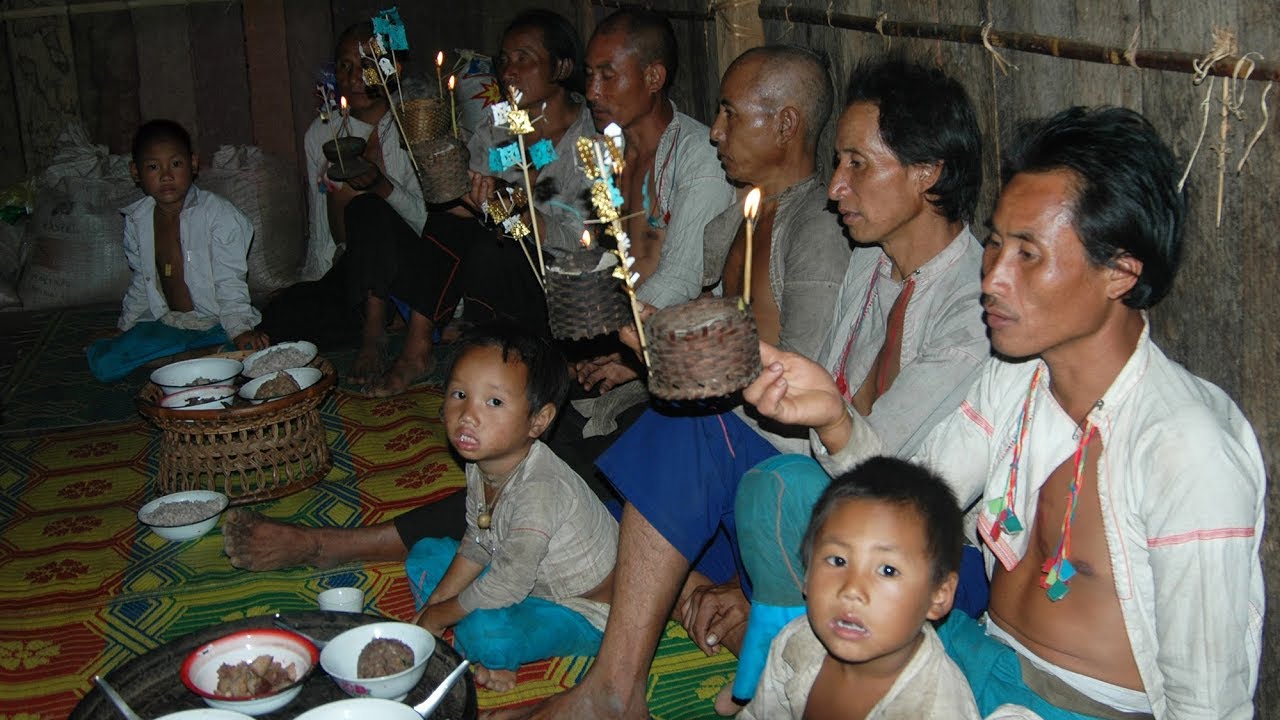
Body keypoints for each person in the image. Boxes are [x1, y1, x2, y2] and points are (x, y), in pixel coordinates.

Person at [743, 106, 1265, 719]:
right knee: (801, 621)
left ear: (1119, 274)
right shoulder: (1014, 380)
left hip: (1079, 707)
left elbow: (1210, 700)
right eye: (994, 247)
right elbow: (915, 503)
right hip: (978, 654)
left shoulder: (1186, 446)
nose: (991, 279)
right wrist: (832, 419)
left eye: (1029, 254)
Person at [526, 57, 987, 720]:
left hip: (913, 563)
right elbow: (806, 413)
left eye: (858, 164)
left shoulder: (970, 306)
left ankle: (729, 616)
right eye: (838, 162)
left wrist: (774, 554)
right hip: (821, 494)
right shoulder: (871, 264)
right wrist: (686, 355)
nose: (834, 187)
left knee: (702, 455)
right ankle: (628, 674)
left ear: (929, 172)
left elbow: (887, 479)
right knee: (683, 437)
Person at [407, 321, 617, 692]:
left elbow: (508, 580)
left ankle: (498, 653)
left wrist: (440, 614)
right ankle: (473, 625)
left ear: (538, 420)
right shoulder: (481, 465)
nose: (468, 415)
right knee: (424, 554)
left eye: (494, 402)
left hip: (581, 609)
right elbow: (478, 541)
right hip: (517, 576)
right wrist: (437, 606)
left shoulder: (541, 489)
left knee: (490, 634)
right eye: (459, 394)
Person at [741, 456, 978, 719]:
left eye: (887, 570)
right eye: (837, 560)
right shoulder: (796, 642)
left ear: (939, 595)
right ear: (807, 574)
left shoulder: (935, 710)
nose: (851, 589)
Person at [88, 119, 268, 382]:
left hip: (217, 323)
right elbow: (141, 281)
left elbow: (230, 281)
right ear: (135, 172)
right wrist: (126, 327)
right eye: (152, 167)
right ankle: (199, 360)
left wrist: (240, 330)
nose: (166, 176)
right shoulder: (138, 220)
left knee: (248, 347)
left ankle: (178, 361)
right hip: (170, 324)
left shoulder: (219, 215)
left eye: (176, 164)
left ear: (193, 164)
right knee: (104, 362)